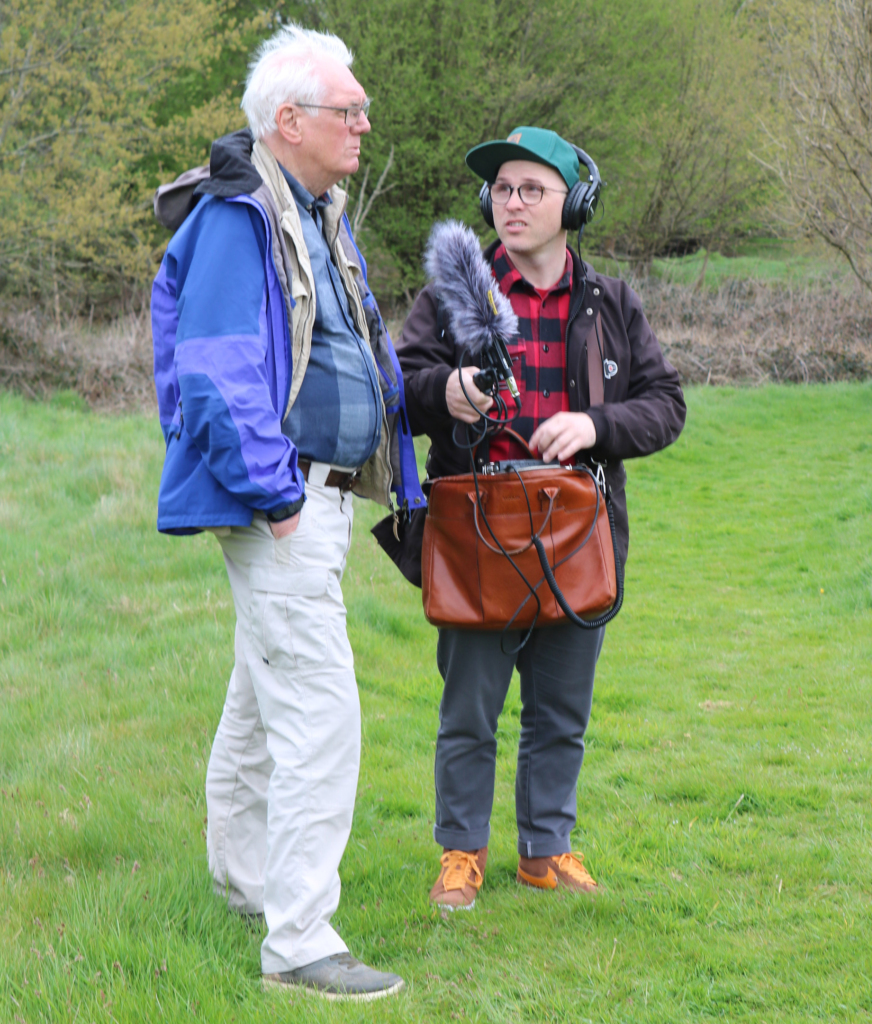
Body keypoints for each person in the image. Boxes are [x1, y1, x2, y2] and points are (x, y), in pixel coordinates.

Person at [150, 25, 424, 1000]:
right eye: (349, 109)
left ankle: (244, 883)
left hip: (317, 493)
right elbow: (215, 372)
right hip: (285, 497)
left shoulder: (313, 211)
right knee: (319, 712)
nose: (363, 122)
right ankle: (300, 942)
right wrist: (275, 494)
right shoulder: (240, 217)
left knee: (261, 695)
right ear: (289, 120)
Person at [396, 126, 686, 909]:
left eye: (532, 189)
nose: (512, 203)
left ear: (574, 203)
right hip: (476, 535)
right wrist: (445, 390)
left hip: (576, 535)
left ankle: (545, 851)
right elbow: (400, 388)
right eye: (501, 189)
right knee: (469, 713)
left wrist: (596, 424)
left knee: (561, 712)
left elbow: (666, 405)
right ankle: (462, 853)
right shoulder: (448, 298)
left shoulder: (611, 303)